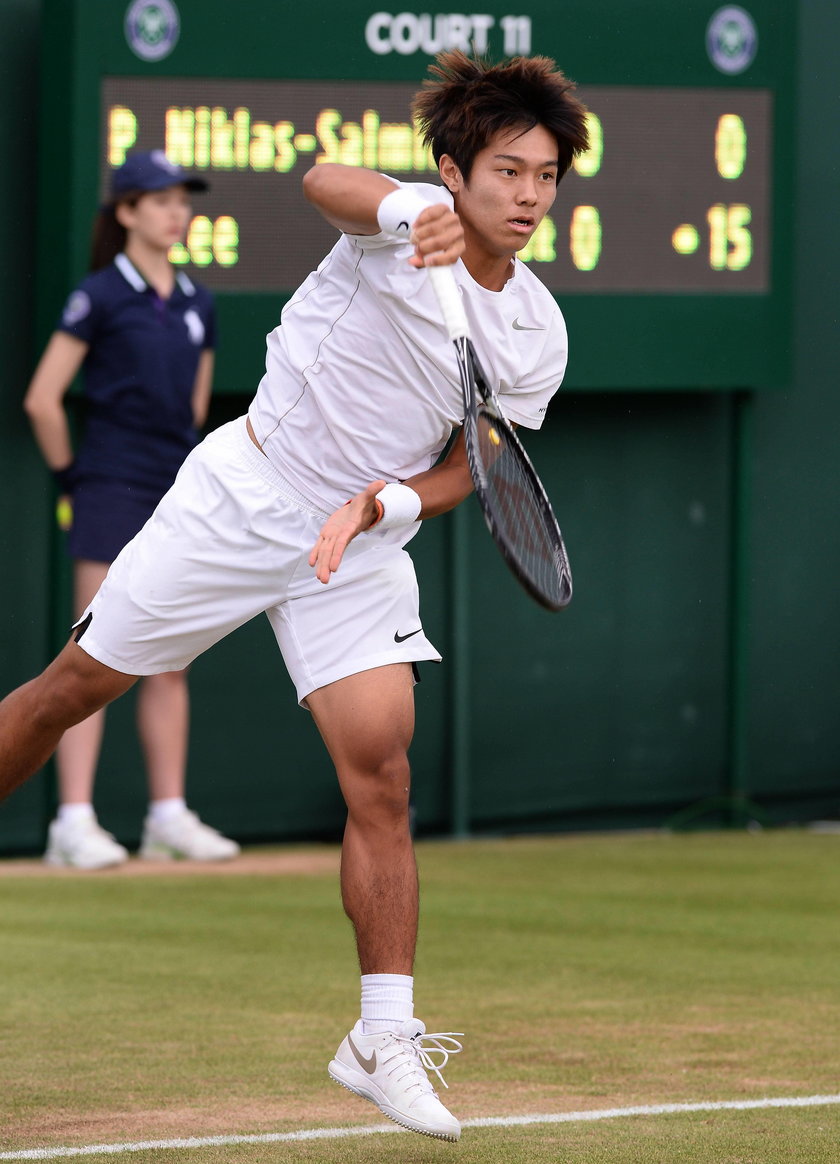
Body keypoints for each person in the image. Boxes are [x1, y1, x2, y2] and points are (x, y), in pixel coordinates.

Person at [0, 53, 588, 1138]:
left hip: (354, 542)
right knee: (68, 691)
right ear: (455, 172)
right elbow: (324, 177)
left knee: (384, 771)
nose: (529, 196)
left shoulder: (538, 332)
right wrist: (410, 208)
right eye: (508, 171)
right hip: (245, 493)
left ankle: (382, 1035)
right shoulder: (397, 226)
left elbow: (481, 465)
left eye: (548, 177)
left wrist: (382, 511)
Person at [21, 150, 240, 869]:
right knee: (94, 652)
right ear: (126, 213)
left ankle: (167, 816)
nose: (177, 212)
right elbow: (43, 398)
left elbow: (196, 408)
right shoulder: (98, 295)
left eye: (183, 200)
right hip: (108, 484)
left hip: (176, 491)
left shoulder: (198, 302)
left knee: (169, 658)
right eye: (160, 200)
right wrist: (71, 482)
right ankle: (72, 822)